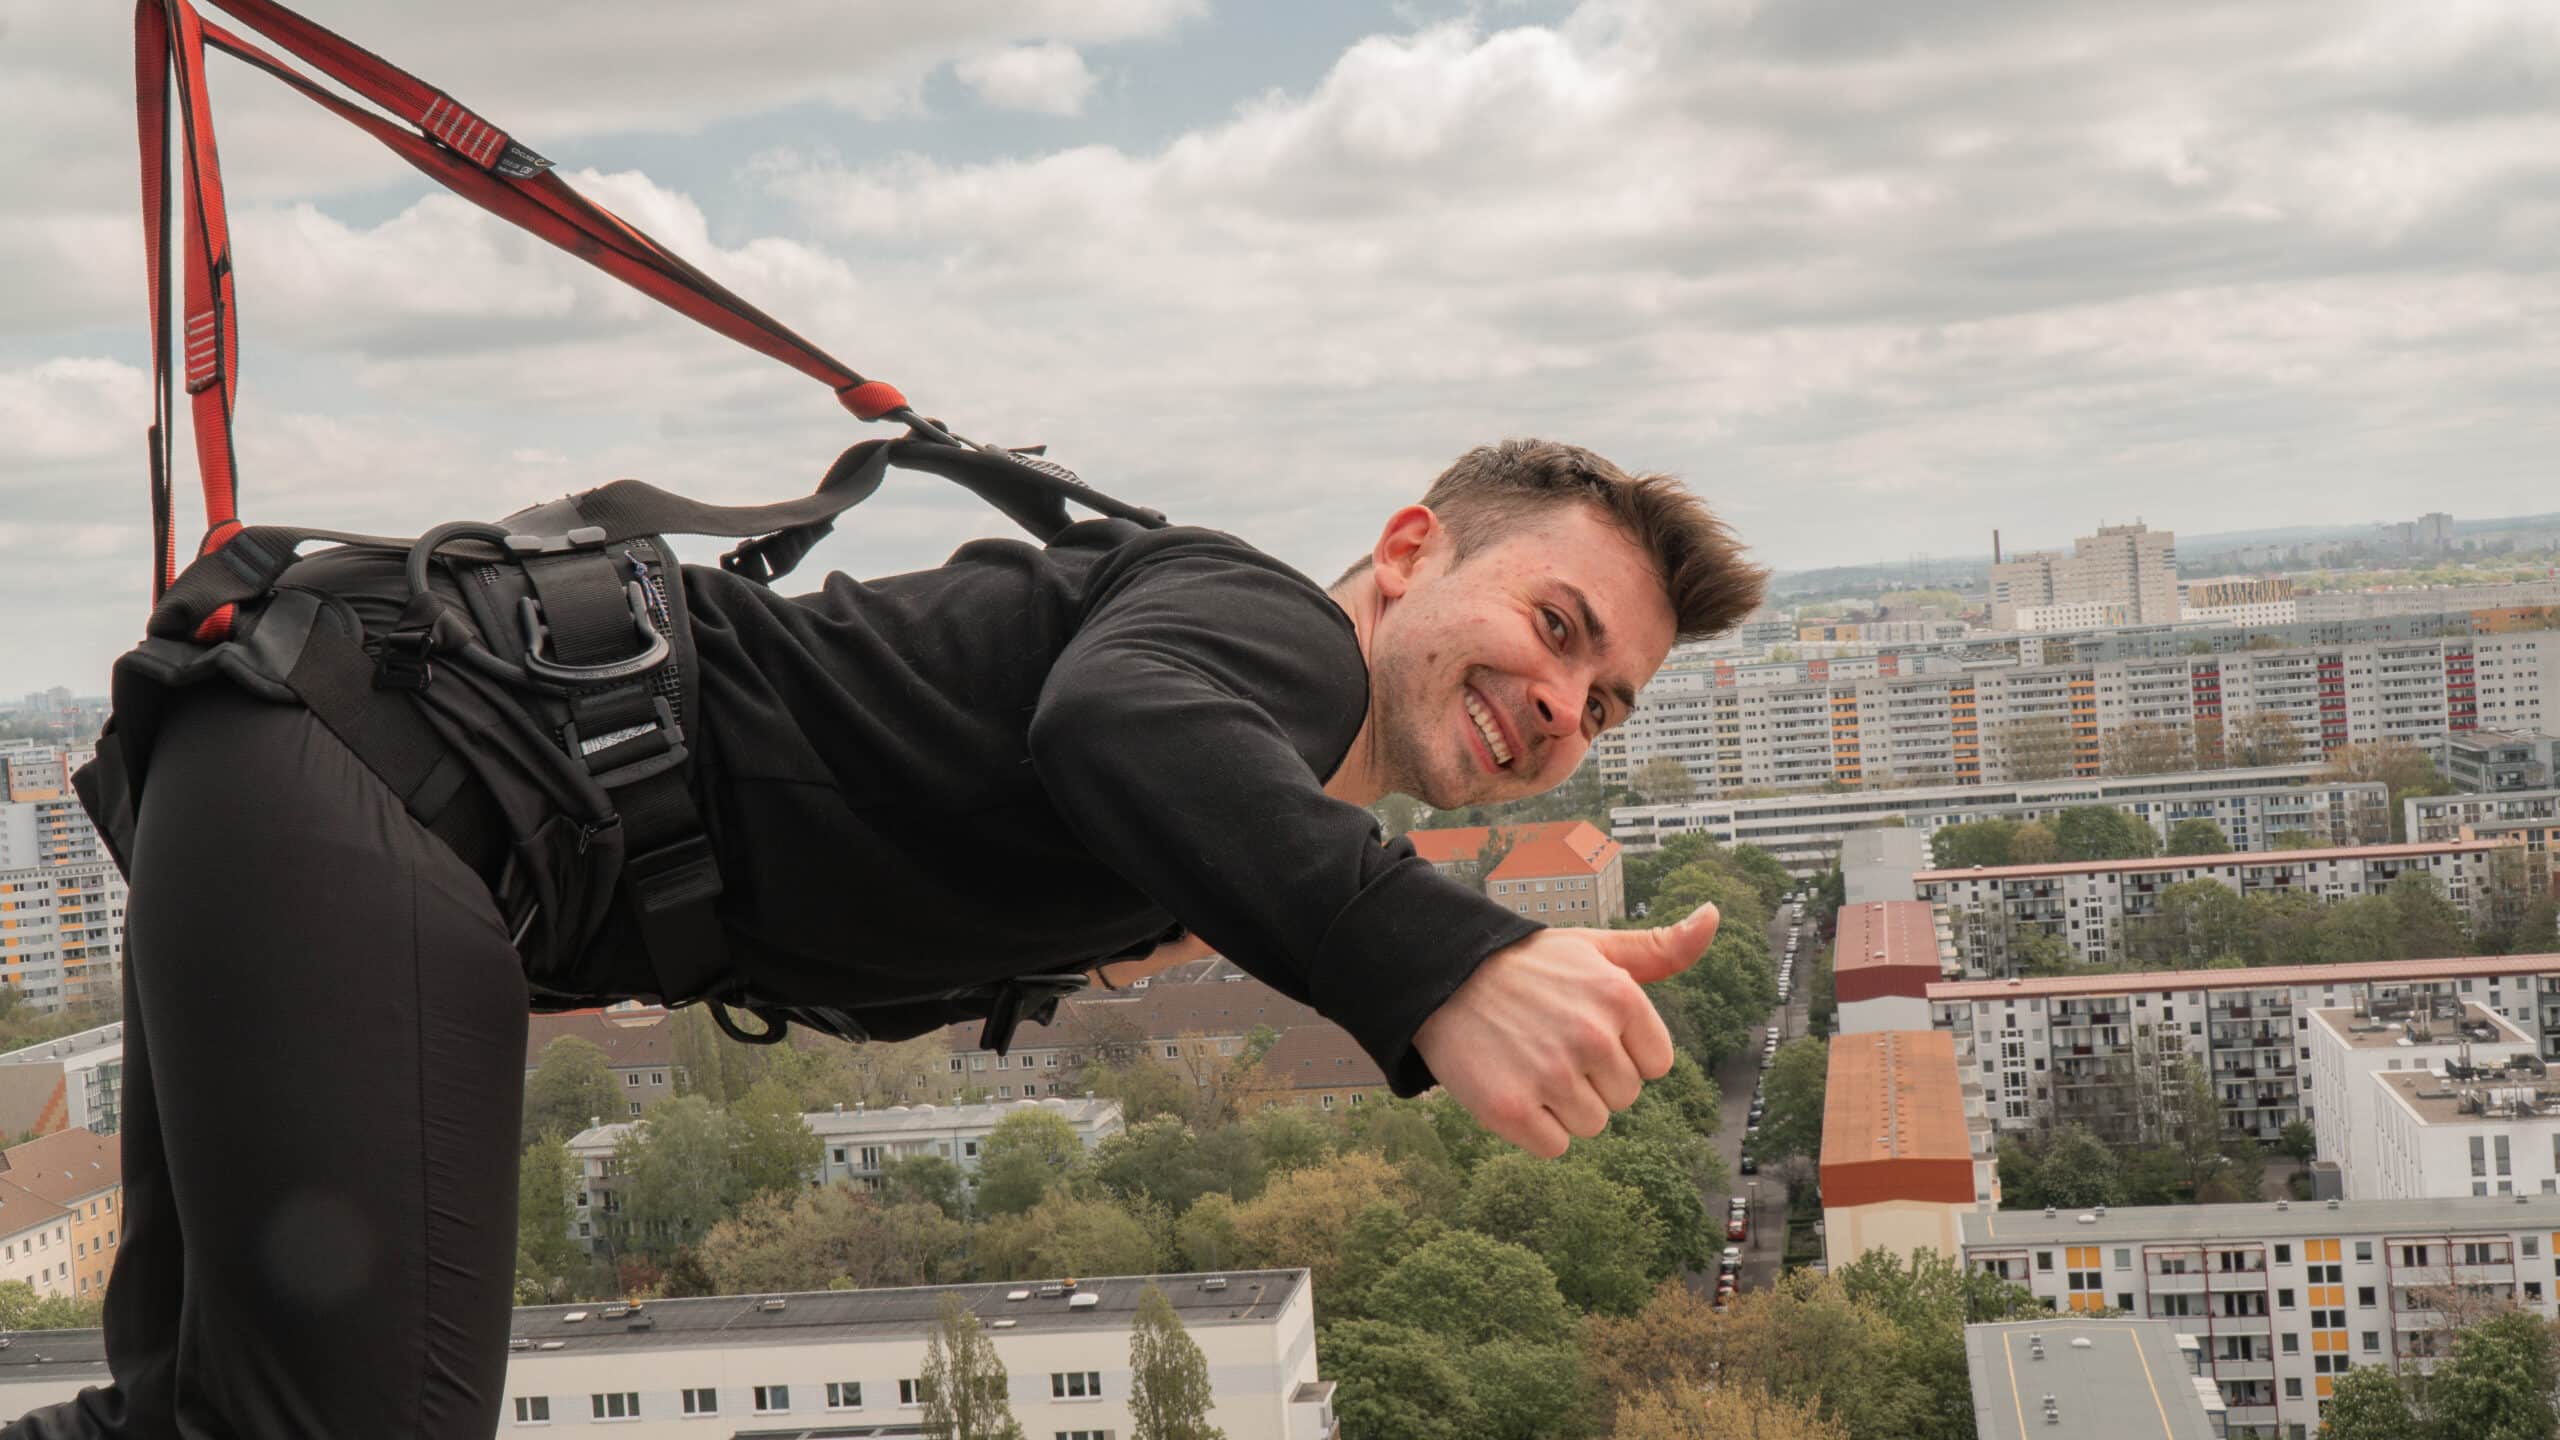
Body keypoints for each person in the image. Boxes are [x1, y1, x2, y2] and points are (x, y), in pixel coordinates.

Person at [4, 436, 1763, 1438]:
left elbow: (1082, 787)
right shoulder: (1272, 645)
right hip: (376, 777)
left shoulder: (1233, 771)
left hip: (316, 771)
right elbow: (1127, 727)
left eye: (1603, 704)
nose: (1558, 704)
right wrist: (1446, 957)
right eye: (1553, 625)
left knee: (210, 1423)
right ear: (1407, 551)